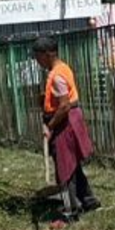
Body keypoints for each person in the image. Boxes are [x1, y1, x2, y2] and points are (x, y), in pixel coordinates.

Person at [31, 37, 100, 215]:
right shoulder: (62, 68)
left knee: (65, 168)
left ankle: (71, 209)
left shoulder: (57, 76)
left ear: (47, 54)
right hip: (68, 119)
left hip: (65, 122)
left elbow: (64, 105)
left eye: (38, 57)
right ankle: (88, 200)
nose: (37, 61)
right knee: (73, 164)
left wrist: (50, 126)